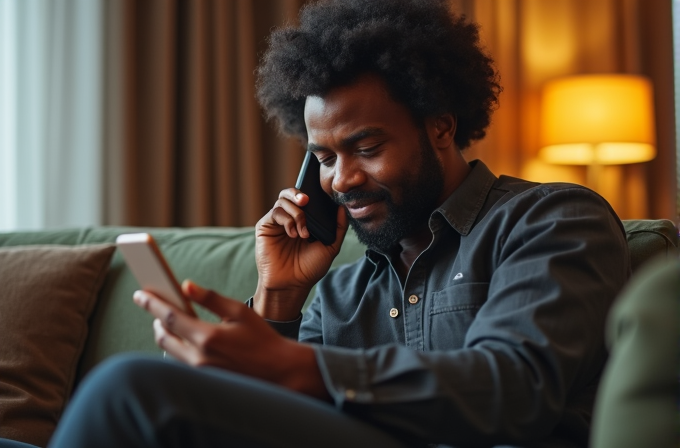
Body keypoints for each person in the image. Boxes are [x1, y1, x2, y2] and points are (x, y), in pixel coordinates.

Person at [43, 1, 630, 447]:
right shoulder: (341, 292)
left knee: (130, 388)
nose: (341, 180)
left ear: (441, 126)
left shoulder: (552, 219)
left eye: (366, 147)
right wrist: (279, 295)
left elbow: (516, 386)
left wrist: (304, 366)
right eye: (323, 158)